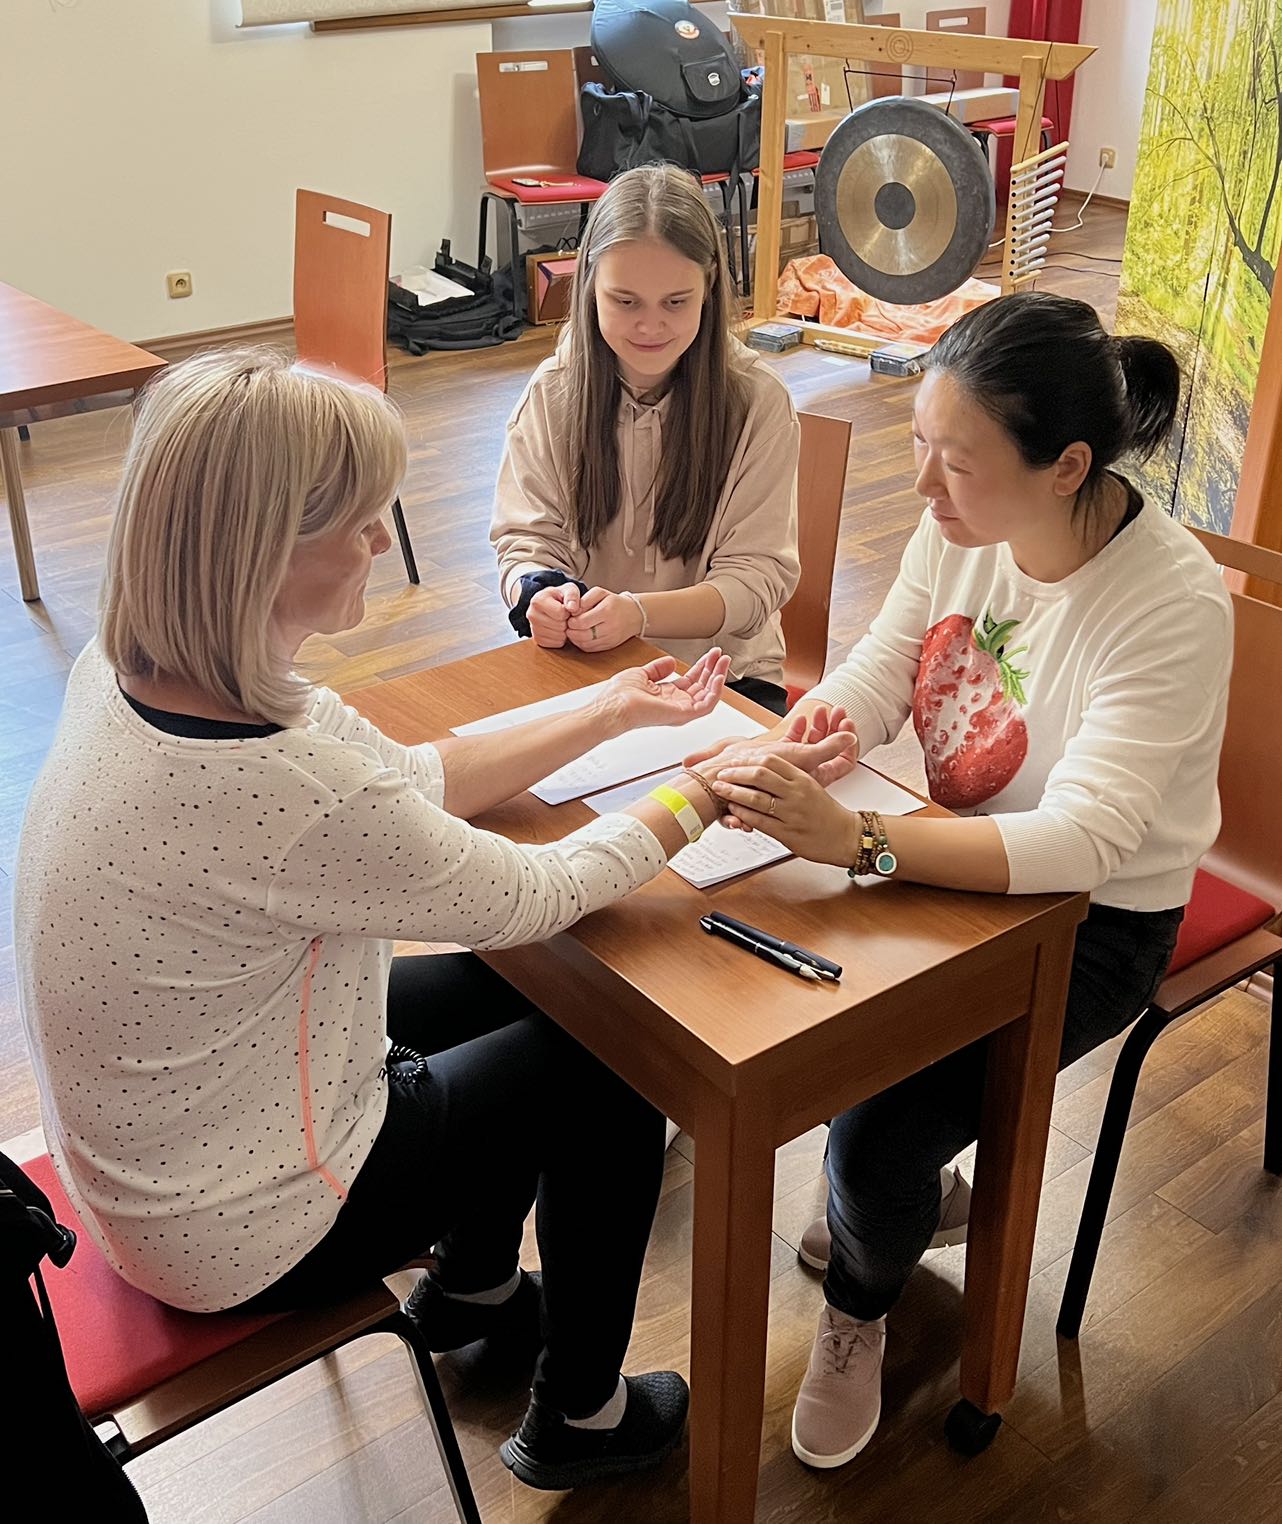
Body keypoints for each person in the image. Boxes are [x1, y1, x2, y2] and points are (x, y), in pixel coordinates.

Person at [14, 350, 854, 1492]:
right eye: (360, 522)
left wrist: (611, 705)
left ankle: (475, 1287)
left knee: (517, 990)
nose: (382, 540)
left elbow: (414, 777)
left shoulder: (137, 670)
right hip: (240, 1230)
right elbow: (532, 893)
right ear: (264, 552)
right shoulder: (283, 784)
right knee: (617, 1061)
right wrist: (702, 791)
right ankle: (582, 1413)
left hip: (154, 1161)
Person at [692, 292, 1232, 1469]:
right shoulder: (963, 523)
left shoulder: (1171, 603)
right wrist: (820, 730)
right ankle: (891, 1216)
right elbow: (889, 660)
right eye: (918, 446)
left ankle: (860, 1307)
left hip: (1092, 923)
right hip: (949, 857)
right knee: (795, 1024)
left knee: (872, 1131)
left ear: (1066, 467)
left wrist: (861, 842)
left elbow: (1081, 845)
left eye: (956, 461)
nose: (925, 486)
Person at [490, 162, 802, 716]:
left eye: (676, 302)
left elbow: (754, 581)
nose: (650, 327)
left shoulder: (758, 402)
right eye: (625, 301)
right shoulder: (553, 392)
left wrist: (638, 614)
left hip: (724, 677)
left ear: (709, 285)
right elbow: (525, 542)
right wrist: (535, 592)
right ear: (590, 285)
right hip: (591, 671)